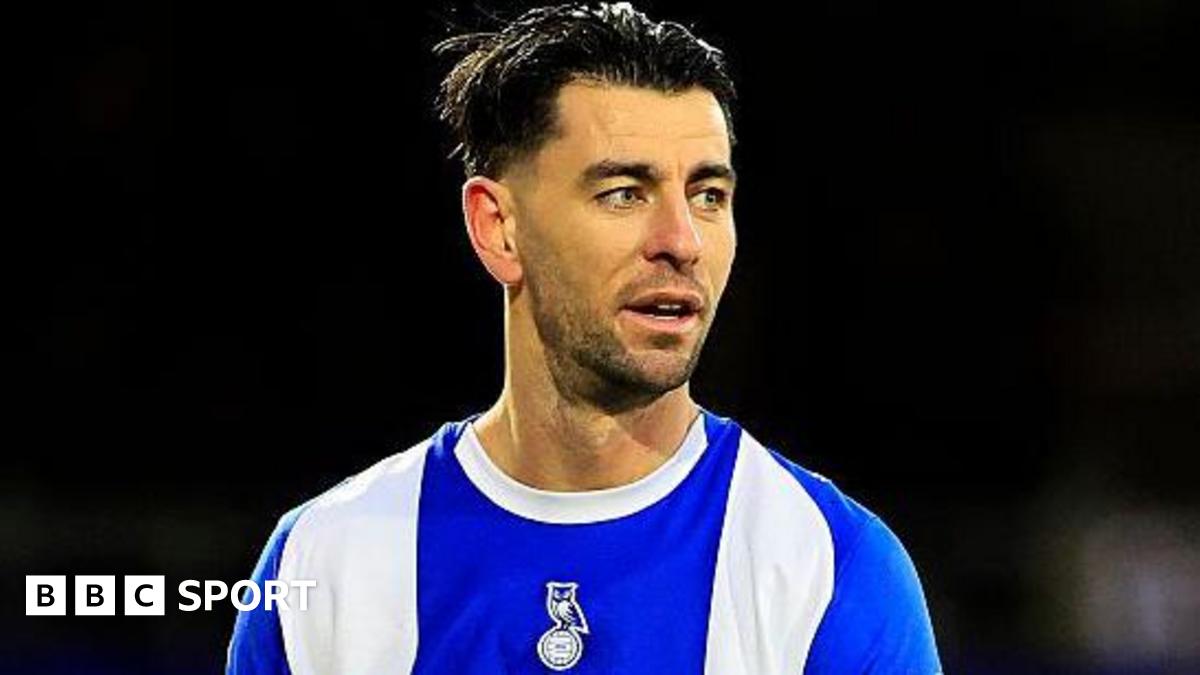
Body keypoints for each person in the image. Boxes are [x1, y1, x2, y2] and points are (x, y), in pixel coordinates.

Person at [226, 3, 942, 673]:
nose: (680, 241)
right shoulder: (324, 561)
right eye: (624, 192)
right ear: (499, 229)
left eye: (708, 195)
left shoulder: (828, 567)